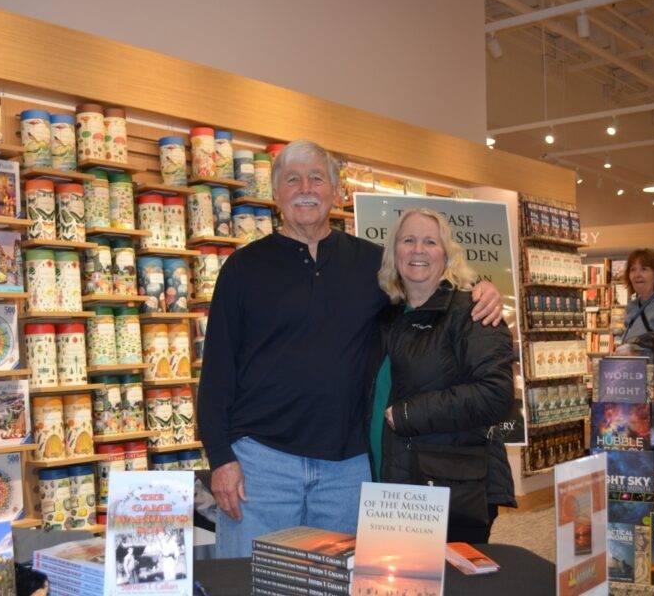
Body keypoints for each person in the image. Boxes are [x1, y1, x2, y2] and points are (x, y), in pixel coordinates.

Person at [197, 140, 505, 558]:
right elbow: (215, 374)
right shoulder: (242, 269)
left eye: (316, 178)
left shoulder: (373, 266)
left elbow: (428, 287)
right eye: (292, 179)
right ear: (276, 194)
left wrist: (480, 291)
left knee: (340, 583)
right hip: (260, 468)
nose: (305, 187)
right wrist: (220, 459)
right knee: (251, 581)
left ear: (336, 192)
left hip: (346, 471)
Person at [367, 208, 515, 543]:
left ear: (446, 256)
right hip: (387, 482)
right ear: (394, 253)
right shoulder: (385, 317)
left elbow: (496, 394)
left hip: (448, 489)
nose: (418, 249)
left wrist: (409, 414)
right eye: (408, 240)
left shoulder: (473, 311)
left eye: (430, 242)